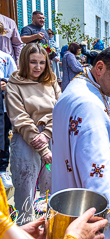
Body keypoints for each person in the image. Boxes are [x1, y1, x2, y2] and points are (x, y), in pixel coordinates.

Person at [52, 47, 110, 239]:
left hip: (70, 199)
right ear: (100, 67)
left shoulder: (80, 85)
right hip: (87, 210)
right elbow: (96, 166)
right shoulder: (88, 104)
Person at [5, 43, 61, 225]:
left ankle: (49, 227)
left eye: (42, 63)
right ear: (24, 62)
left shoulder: (51, 81)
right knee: (25, 190)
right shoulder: (14, 83)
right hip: (26, 139)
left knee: (51, 189)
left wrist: (48, 133)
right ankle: (25, 228)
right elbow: (19, 117)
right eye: (33, 62)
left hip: (52, 137)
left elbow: (60, 108)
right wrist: (42, 146)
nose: (38, 67)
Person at [0, 50, 17, 189]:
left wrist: (6, 83)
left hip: (3, 107)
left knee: (3, 137)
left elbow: (15, 77)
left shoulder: (5, 57)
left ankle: (2, 170)